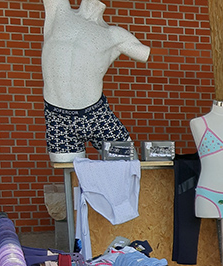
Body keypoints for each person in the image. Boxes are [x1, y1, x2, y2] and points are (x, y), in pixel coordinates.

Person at [41, 0, 150, 163]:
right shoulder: (59, 11)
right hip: (59, 117)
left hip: (97, 115)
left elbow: (145, 54)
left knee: (128, 166)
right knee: (70, 173)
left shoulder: (115, 35)